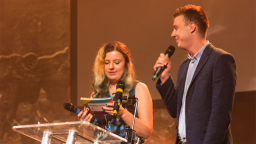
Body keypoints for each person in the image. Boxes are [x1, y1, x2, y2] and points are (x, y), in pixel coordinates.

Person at [154, 4, 236, 144]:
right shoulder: (184, 66)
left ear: (191, 27)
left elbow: (220, 115)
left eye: (176, 28)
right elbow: (175, 110)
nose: (173, 34)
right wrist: (165, 77)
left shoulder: (220, 59)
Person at [78, 41, 153, 141]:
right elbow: (88, 139)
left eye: (116, 62)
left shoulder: (139, 89)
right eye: (106, 63)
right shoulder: (96, 95)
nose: (111, 67)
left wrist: (123, 113)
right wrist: (86, 125)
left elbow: (146, 132)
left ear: (126, 64)